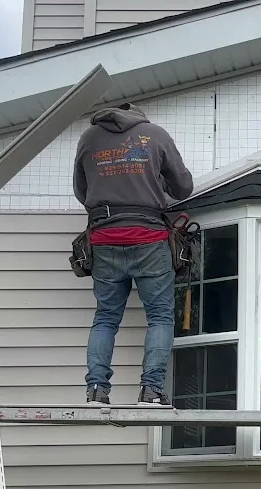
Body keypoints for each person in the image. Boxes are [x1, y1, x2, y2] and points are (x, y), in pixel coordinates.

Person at [73, 102, 193, 406]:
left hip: (104, 237)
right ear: (139, 116)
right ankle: (151, 391)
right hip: (149, 236)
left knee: (105, 318)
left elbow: (82, 193)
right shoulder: (155, 135)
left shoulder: (89, 138)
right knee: (160, 316)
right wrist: (156, 182)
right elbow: (183, 188)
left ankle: (96, 391)